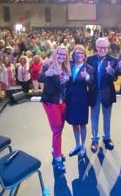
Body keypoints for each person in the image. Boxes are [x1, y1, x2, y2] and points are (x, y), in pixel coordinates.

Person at [38, 45, 71, 173]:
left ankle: (55, 150)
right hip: (51, 102)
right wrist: (46, 74)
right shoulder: (48, 65)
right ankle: (58, 159)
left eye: (64, 54)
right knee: (57, 129)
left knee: (59, 129)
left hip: (63, 102)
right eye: (59, 54)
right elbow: (40, 78)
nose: (62, 56)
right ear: (55, 54)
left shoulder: (66, 66)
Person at [86, 37, 118, 153]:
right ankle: (94, 139)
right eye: (100, 47)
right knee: (94, 117)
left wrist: (111, 72)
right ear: (96, 47)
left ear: (108, 48)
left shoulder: (114, 60)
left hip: (107, 93)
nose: (102, 49)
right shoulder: (89, 59)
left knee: (107, 117)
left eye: (104, 47)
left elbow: (115, 77)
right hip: (94, 93)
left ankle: (107, 138)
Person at [65, 45, 94, 157]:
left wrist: (87, 77)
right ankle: (77, 145)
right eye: (77, 53)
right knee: (74, 123)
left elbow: (92, 84)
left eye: (81, 53)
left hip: (82, 100)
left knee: (82, 124)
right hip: (71, 99)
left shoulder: (89, 68)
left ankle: (83, 146)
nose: (79, 55)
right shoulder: (69, 66)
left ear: (84, 55)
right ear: (73, 55)